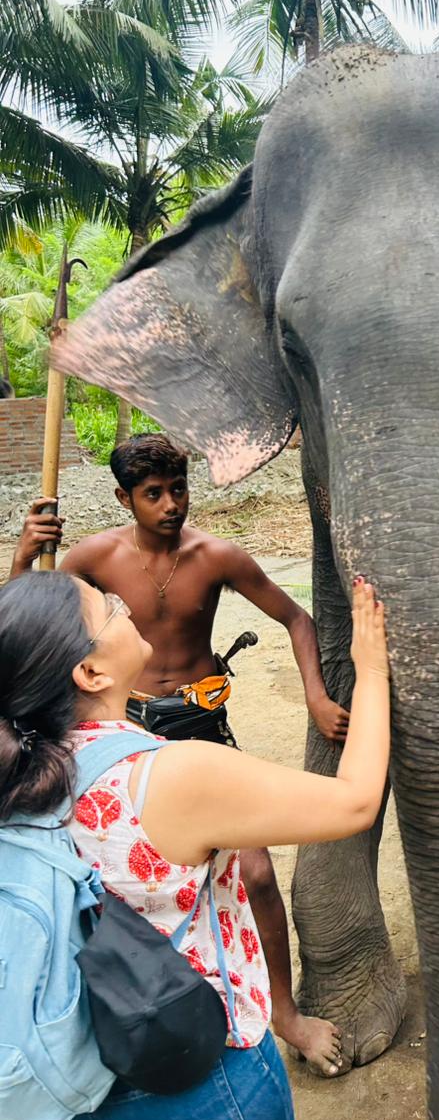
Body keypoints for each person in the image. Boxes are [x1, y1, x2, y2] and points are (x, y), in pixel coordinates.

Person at [0, 571, 389, 1120]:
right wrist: (370, 671)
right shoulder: (166, 777)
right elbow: (354, 802)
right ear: (92, 674)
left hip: (42, 1105)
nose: (125, 607)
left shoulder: (13, 775)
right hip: (185, 1095)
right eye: (109, 608)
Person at [9, 433, 351, 1072]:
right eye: (153, 494)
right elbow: (31, 624)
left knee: (254, 872)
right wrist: (24, 560)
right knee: (119, 878)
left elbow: (297, 618)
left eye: (179, 489)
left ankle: (284, 1012)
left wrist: (315, 694)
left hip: (201, 725)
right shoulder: (92, 557)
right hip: (122, 730)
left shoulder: (215, 555)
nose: (170, 505)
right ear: (123, 497)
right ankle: (134, 1000)